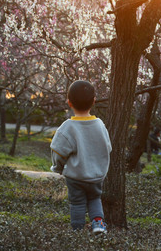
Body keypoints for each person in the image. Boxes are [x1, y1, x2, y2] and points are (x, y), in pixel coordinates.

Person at [50, 80, 112, 234]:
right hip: (96, 176)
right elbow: (108, 148)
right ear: (94, 101)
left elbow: (58, 151)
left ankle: (77, 231)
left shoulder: (67, 127)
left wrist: (57, 168)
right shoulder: (100, 125)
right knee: (94, 199)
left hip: (76, 177)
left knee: (77, 203)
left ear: (69, 103)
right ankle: (98, 224)